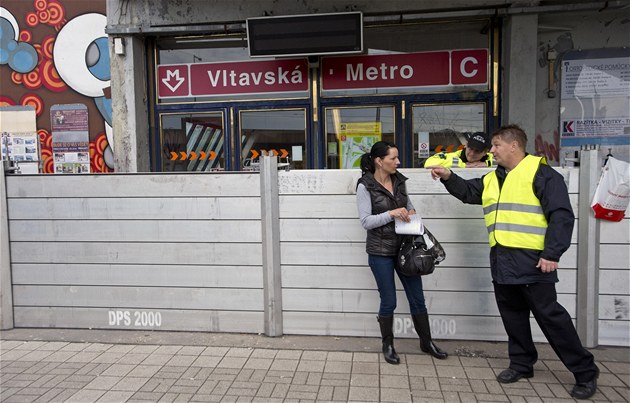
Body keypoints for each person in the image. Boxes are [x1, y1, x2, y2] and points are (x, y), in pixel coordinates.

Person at [427, 125, 599, 399]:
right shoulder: (494, 178)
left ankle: (585, 372)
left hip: (534, 262)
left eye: (495, 146)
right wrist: (448, 176)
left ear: (513, 146)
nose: (491, 151)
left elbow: (562, 217)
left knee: (552, 319)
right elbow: (469, 192)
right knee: (513, 318)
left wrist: (552, 254)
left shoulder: (543, 175)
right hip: (502, 260)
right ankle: (522, 364)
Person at [357, 140, 447, 364]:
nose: (398, 162)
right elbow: (366, 221)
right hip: (380, 252)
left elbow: (408, 204)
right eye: (393, 158)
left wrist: (411, 211)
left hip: (407, 249)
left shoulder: (399, 180)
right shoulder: (364, 185)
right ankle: (387, 345)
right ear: (379, 161)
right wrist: (392, 213)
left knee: (417, 299)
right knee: (389, 301)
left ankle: (426, 343)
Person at [423, 132, 494, 168]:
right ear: (466, 145)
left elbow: (504, 161)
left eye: (477, 151)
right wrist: (463, 165)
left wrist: (487, 164)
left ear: (485, 152)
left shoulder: (493, 158)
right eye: (470, 148)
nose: (472, 153)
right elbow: (428, 163)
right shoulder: (451, 156)